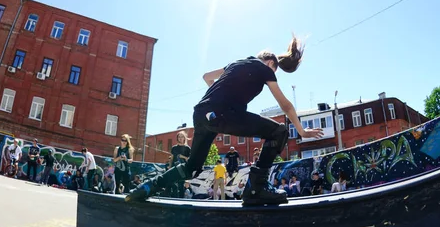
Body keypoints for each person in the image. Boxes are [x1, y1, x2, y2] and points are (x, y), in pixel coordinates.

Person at [127, 36, 324, 206]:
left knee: (191, 167)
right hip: (223, 115)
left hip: (201, 113)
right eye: (275, 71)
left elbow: (206, 77)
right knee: (279, 131)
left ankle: (147, 187)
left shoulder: (235, 63)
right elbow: (286, 106)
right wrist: (302, 131)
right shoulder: (265, 69)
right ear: (271, 64)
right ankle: (256, 189)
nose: (273, 75)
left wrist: (220, 99)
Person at [170, 131, 191, 197]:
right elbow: (171, 158)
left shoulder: (187, 148)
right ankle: (173, 199)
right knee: (173, 184)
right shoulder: (174, 148)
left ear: (184, 138)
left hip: (182, 169)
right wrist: (169, 167)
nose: (180, 138)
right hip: (174, 168)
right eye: (179, 137)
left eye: (182, 137)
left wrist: (183, 157)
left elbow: (189, 160)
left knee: (181, 185)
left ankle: (181, 199)